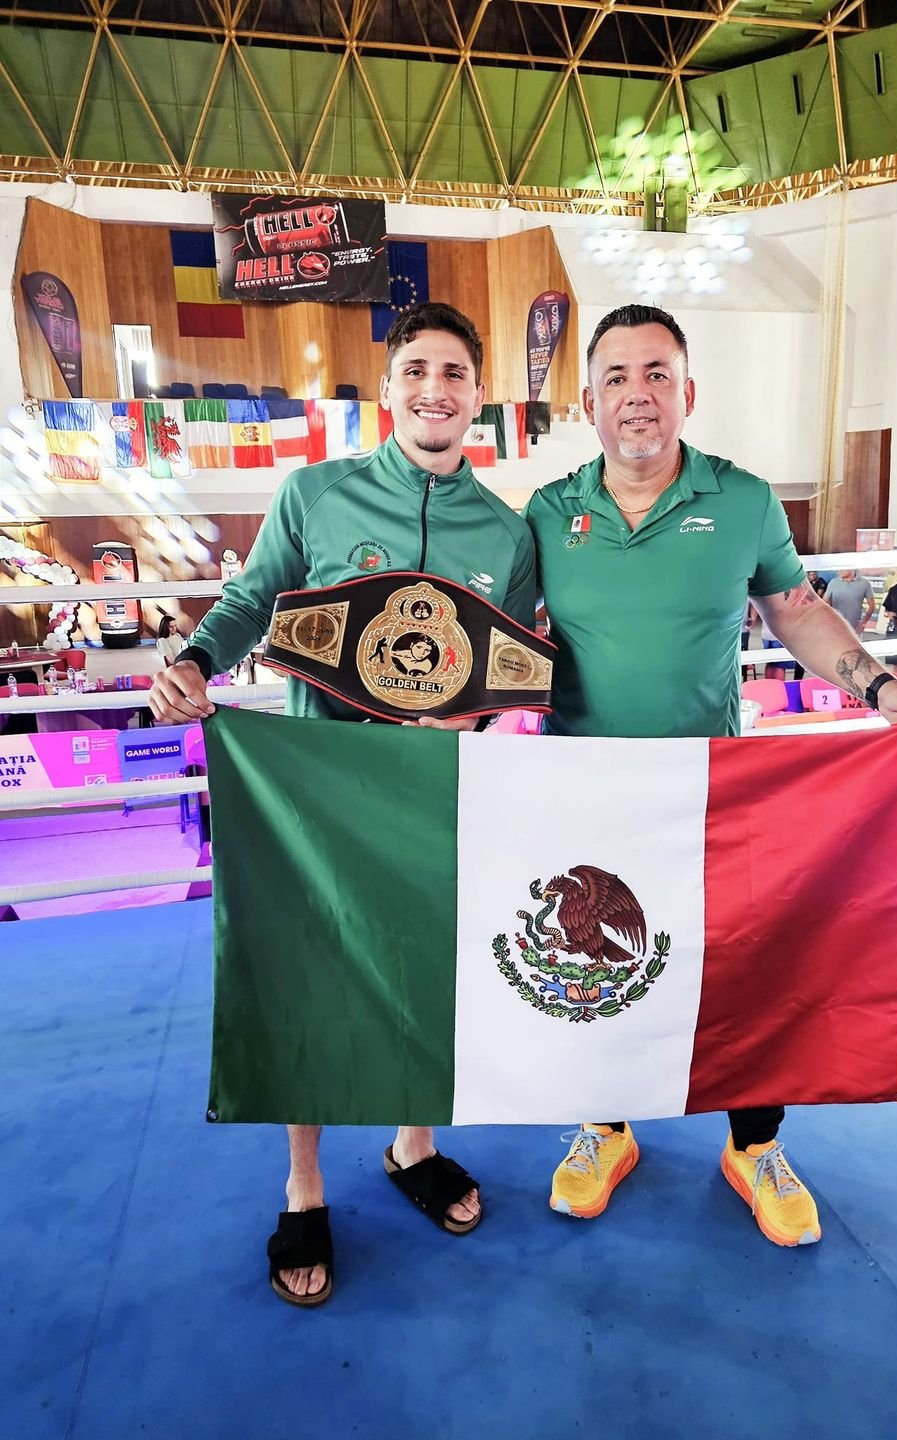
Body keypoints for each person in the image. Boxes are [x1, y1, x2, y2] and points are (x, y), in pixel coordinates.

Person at [522, 304, 897, 1248]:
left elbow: (795, 609)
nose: (638, 395)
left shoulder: (745, 500)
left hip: (715, 790)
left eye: (658, 374)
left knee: (746, 965)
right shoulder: (549, 512)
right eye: (618, 377)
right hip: (586, 792)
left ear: (690, 392)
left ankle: (755, 1145)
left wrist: (878, 684)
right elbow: (503, 637)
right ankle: (605, 1128)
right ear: (588, 401)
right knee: (595, 961)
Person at [149, 302, 536, 1307]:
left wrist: (471, 718)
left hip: (437, 792)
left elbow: (510, 662)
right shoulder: (315, 492)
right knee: (311, 978)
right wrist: (194, 658)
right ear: (389, 386)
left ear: (478, 395)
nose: (434, 390)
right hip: (320, 787)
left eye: (454, 373)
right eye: (416, 370)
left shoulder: (507, 530)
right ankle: (304, 1182)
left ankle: (414, 1144)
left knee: (427, 968)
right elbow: (252, 600)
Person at [824, 569, 875, 633]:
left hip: (854, 628)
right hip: (834, 627)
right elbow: (824, 603)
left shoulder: (865, 583)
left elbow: (872, 606)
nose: (839, 571)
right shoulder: (833, 582)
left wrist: (863, 622)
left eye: (842, 568)